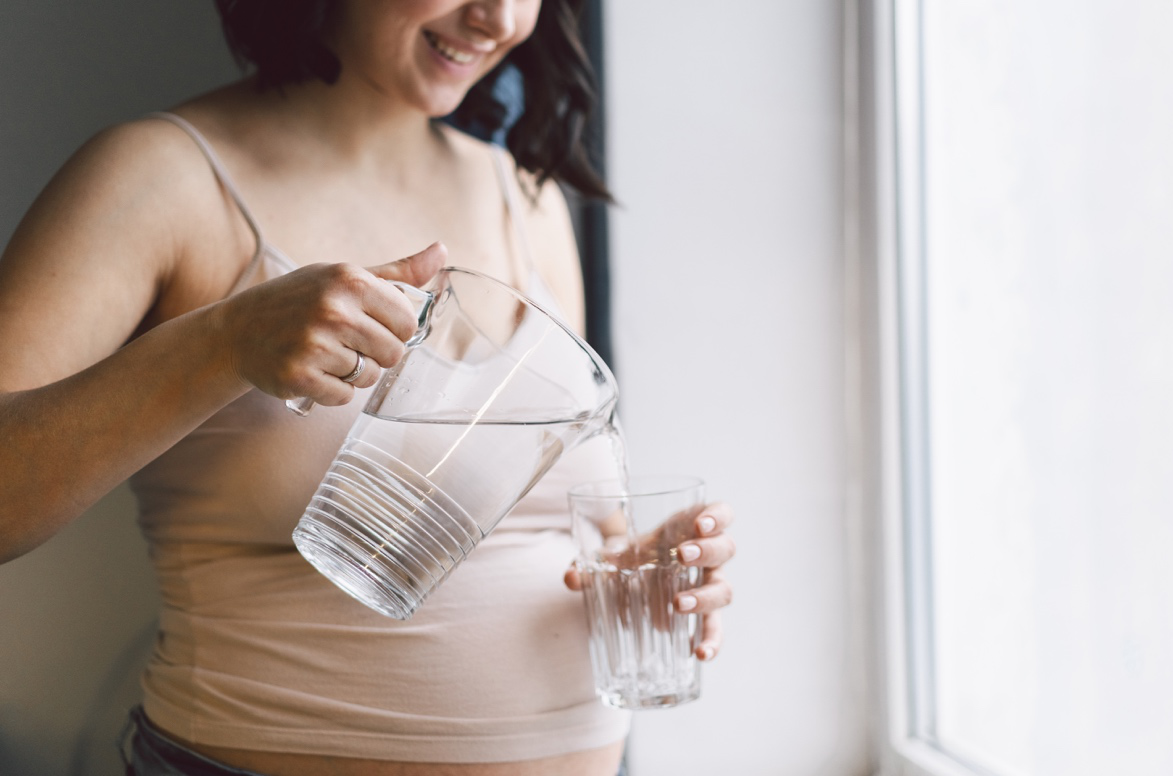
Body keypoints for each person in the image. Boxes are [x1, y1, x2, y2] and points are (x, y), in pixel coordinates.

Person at [0, 1, 737, 774]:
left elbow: (575, 539)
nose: (499, 18)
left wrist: (637, 572)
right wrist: (222, 344)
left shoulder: (528, 199)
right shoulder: (162, 178)